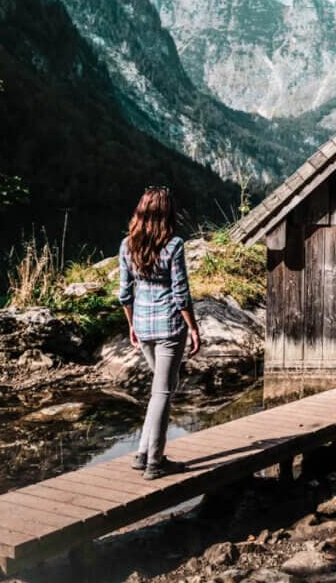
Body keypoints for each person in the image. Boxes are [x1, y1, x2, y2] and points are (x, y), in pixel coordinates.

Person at [118, 186, 201, 480]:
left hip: (142, 324)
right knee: (163, 392)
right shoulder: (174, 245)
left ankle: (142, 453)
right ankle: (155, 462)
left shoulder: (127, 245)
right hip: (168, 326)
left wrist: (131, 325)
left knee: (158, 390)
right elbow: (181, 293)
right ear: (167, 213)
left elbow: (124, 294)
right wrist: (192, 327)